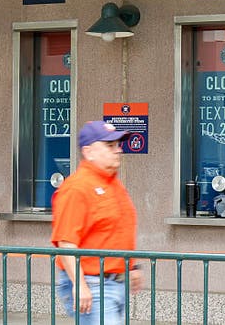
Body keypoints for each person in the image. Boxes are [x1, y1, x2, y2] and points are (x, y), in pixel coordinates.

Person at [51, 121, 144, 325]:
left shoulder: (113, 184)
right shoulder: (76, 188)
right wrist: (80, 285)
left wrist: (132, 266)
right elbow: (66, 242)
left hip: (114, 282)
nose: (118, 150)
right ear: (89, 152)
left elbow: (118, 232)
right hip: (93, 282)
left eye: (118, 145)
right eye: (109, 145)